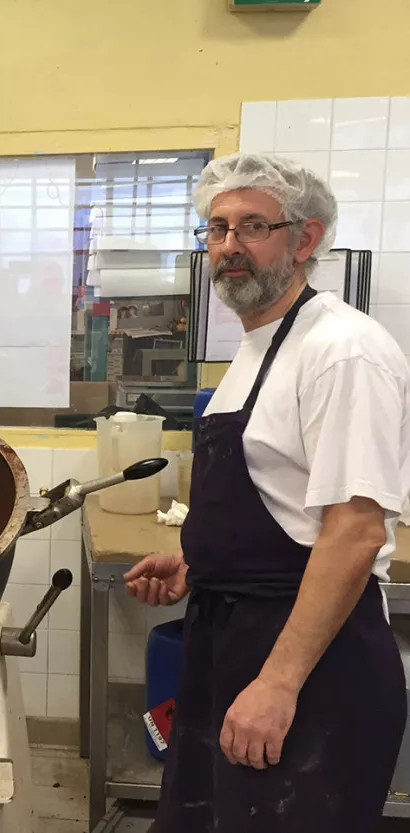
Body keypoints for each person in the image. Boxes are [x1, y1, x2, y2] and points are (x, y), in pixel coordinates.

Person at [125, 152, 410, 832]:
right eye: (216, 229)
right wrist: (202, 565)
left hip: (309, 665)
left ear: (305, 239)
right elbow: (285, 500)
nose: (229, 246)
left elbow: (354, 531)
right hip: (231, 642)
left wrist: (280, 684)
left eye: (253, 225)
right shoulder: (256, 346)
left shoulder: (343, 350)